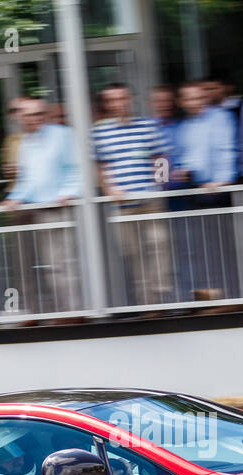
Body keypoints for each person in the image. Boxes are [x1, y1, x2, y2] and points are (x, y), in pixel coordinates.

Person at [93, 82, 171, 308]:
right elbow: (99, 166)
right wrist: (109, 189)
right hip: (122, 203)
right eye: (113, 100)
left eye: (122, 98)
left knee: (158, 242)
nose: (119, 103)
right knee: (133, 253)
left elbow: (161, 157)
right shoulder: (99, 131)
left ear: (130, 100)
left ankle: (160, 290)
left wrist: (160, 184)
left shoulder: (147, 126)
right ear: (107, 104)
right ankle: (147, 304)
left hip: (150, 200)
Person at [1, 98, 81, 314]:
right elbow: (28, 179)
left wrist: (68, 193)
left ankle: (73, 312)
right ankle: (54, 311)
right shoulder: (27, 141)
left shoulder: (63, 135)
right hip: (36, 208)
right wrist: (15, 197)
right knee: (46, 266)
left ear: (45, 114)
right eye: (27, 115)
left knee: (62, 264)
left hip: (58, 207)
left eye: (37, 114)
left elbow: (77, 168)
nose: (32, 119)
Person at [172, 80, 238, 302]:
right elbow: (181, 158)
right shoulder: (182, 128)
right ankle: (210, 297)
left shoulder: (221, 118)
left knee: (224, 248)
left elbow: (228, 151)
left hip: (219, 192)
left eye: (198, 97)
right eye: (189, 98)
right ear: (181, 102)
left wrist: (221, 182)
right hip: (194, 193)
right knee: (201, 249)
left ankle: (231, 297)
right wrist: (181, 171)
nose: (194, 102)